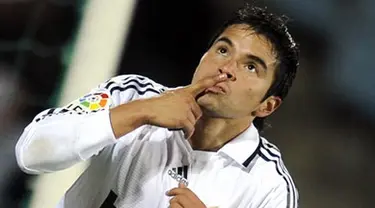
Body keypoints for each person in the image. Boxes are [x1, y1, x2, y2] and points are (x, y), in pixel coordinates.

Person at [16, 4, 299, 208]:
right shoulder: (131, 94)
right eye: (223, 50)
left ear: (267, 106)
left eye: (251, 66)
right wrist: (139, 112)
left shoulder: (269, 187)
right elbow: (30, 153)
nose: (226, 68)